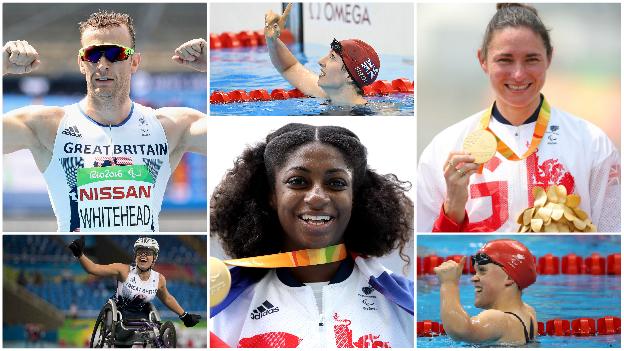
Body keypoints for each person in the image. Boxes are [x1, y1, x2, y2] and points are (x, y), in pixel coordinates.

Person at [417, 3, 620, 232]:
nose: (518, 74)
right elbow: (426, 258)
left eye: (531, 59)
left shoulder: (593, 145)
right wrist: (453, 205)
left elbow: (614, 249)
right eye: (505, 60)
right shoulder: (443, 150)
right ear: (482, 60)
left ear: (549, 58)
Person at [210, 123, 414, 348]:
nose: (317, 197)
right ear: (272, 196)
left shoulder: (409, 306)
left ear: (354, 197)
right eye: (298, 181)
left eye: (336, 183)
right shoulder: (220, 310)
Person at [3, 10, 207, 232]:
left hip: (139, 262)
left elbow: (244, 140)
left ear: (134, 62)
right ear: (82, 63)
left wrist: (216, 67)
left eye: (114, 53)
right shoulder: (47, 126)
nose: (102, 64)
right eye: (92, 54)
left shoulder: (171, 127)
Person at [67, 236, 201, 342]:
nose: (143, 255)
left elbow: (167, 298)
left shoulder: (159, 279)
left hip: (143, 316)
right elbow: (93, 269)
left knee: (156, 333)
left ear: (154, 258)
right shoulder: (123, 270)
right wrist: (80, 254)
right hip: (120, 313)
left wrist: (184, 315)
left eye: (147, 252)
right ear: (136, 256)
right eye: (140, 252)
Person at [265, 4, 380, 107]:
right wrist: (271, 40)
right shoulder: (327, 94)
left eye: (332, 57)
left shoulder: (372, 116)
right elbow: (289, 68)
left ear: (349, 76)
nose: (321, 61)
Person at [433, 239, 537, 346]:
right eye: (475, 271)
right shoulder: (529, 313)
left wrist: (449, 283)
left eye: (482, 270)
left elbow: (460, 330)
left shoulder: (498, 320)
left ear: (509, 277)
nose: (474, 278)